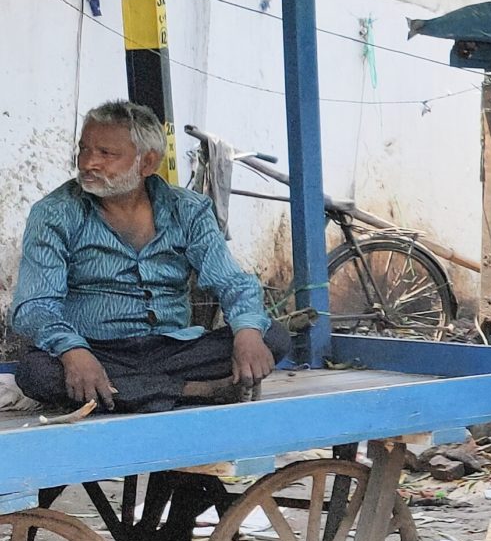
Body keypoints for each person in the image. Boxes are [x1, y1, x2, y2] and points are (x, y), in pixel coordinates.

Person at [11, 100, 288, 414]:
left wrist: (247, 331)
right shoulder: (54, 213)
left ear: (147, 163)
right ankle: (194, 391)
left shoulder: (188, 210)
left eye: (106, 153)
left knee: (271, 337)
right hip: (96, 351)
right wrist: (73, 350)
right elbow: (35, 306)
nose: (88, 163)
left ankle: (132, 393)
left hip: (174, 350)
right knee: (37, 373)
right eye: (83, 149)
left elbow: (232, 282)